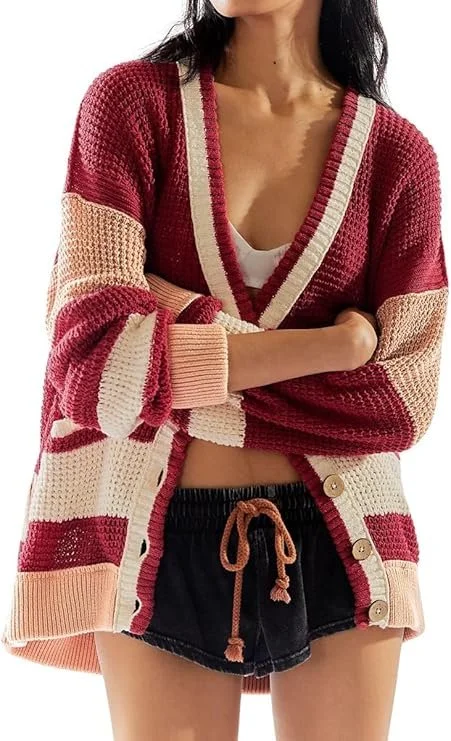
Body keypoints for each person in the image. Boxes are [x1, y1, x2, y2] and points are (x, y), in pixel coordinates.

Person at [2, 1, 447, 740]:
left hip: (348, 535)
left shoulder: (397, 157)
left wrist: (165, 337)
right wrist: (335, 349)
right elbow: (93, 365)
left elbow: (402, 399)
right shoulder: (130, 107)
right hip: (154, 534)